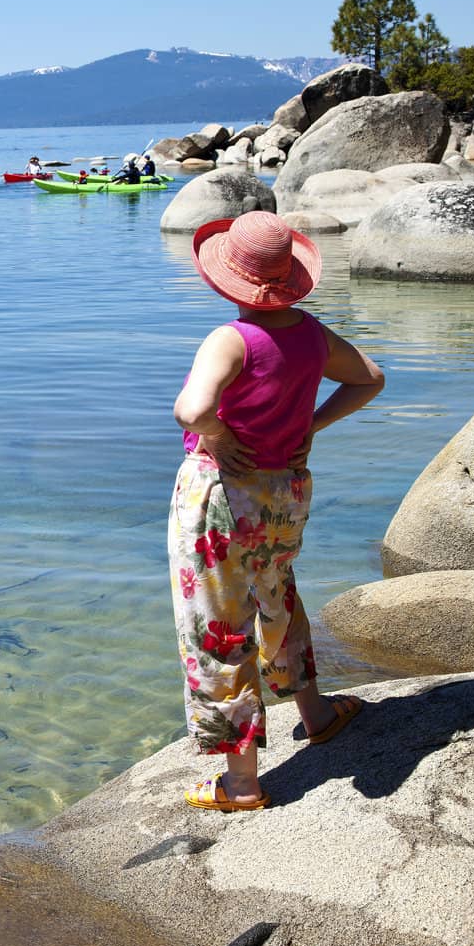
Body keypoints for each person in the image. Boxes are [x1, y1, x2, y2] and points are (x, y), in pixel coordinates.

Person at [170, 211, 384, 812]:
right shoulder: (312, 335)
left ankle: (240, 783)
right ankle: (314, 713)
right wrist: (311, 423)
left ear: (227, 280)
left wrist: (214, 432)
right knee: (276, 594)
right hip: (284, 491)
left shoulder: (231, 339)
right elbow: (370, 379)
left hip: (222, 498)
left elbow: (190, 411)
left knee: (216, 623)